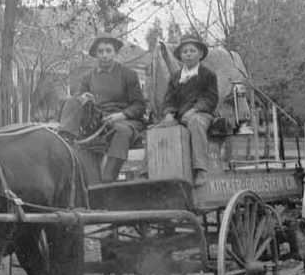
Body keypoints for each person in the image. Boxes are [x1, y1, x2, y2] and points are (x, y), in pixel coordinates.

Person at [58, 32, 146, 182]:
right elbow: (79, 101)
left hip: (123, 121)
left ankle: (107, 179)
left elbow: (139, 105)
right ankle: (64, 140)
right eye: (100, 51)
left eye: (108, 51)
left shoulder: (128, 74)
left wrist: (122, 115)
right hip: (98, 119)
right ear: (95, 55)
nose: (104, 55)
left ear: (115, 53)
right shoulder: (88, 76)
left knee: (121, 131)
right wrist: (83, 98)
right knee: (73, 100)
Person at [160, 34, 218, 187]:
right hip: (179, 116)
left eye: (192, 51)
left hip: (202, 115)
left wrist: (195, 110)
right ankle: (150, 171)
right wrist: (168, 113)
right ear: (180, 55)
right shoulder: (175, 77)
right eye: (184, 51)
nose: (188, 54)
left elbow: (210, 99)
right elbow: (168, 100)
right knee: (156, 129)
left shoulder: (208, 75)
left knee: (195, 122)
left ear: (200, 54)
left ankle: (201, 170)